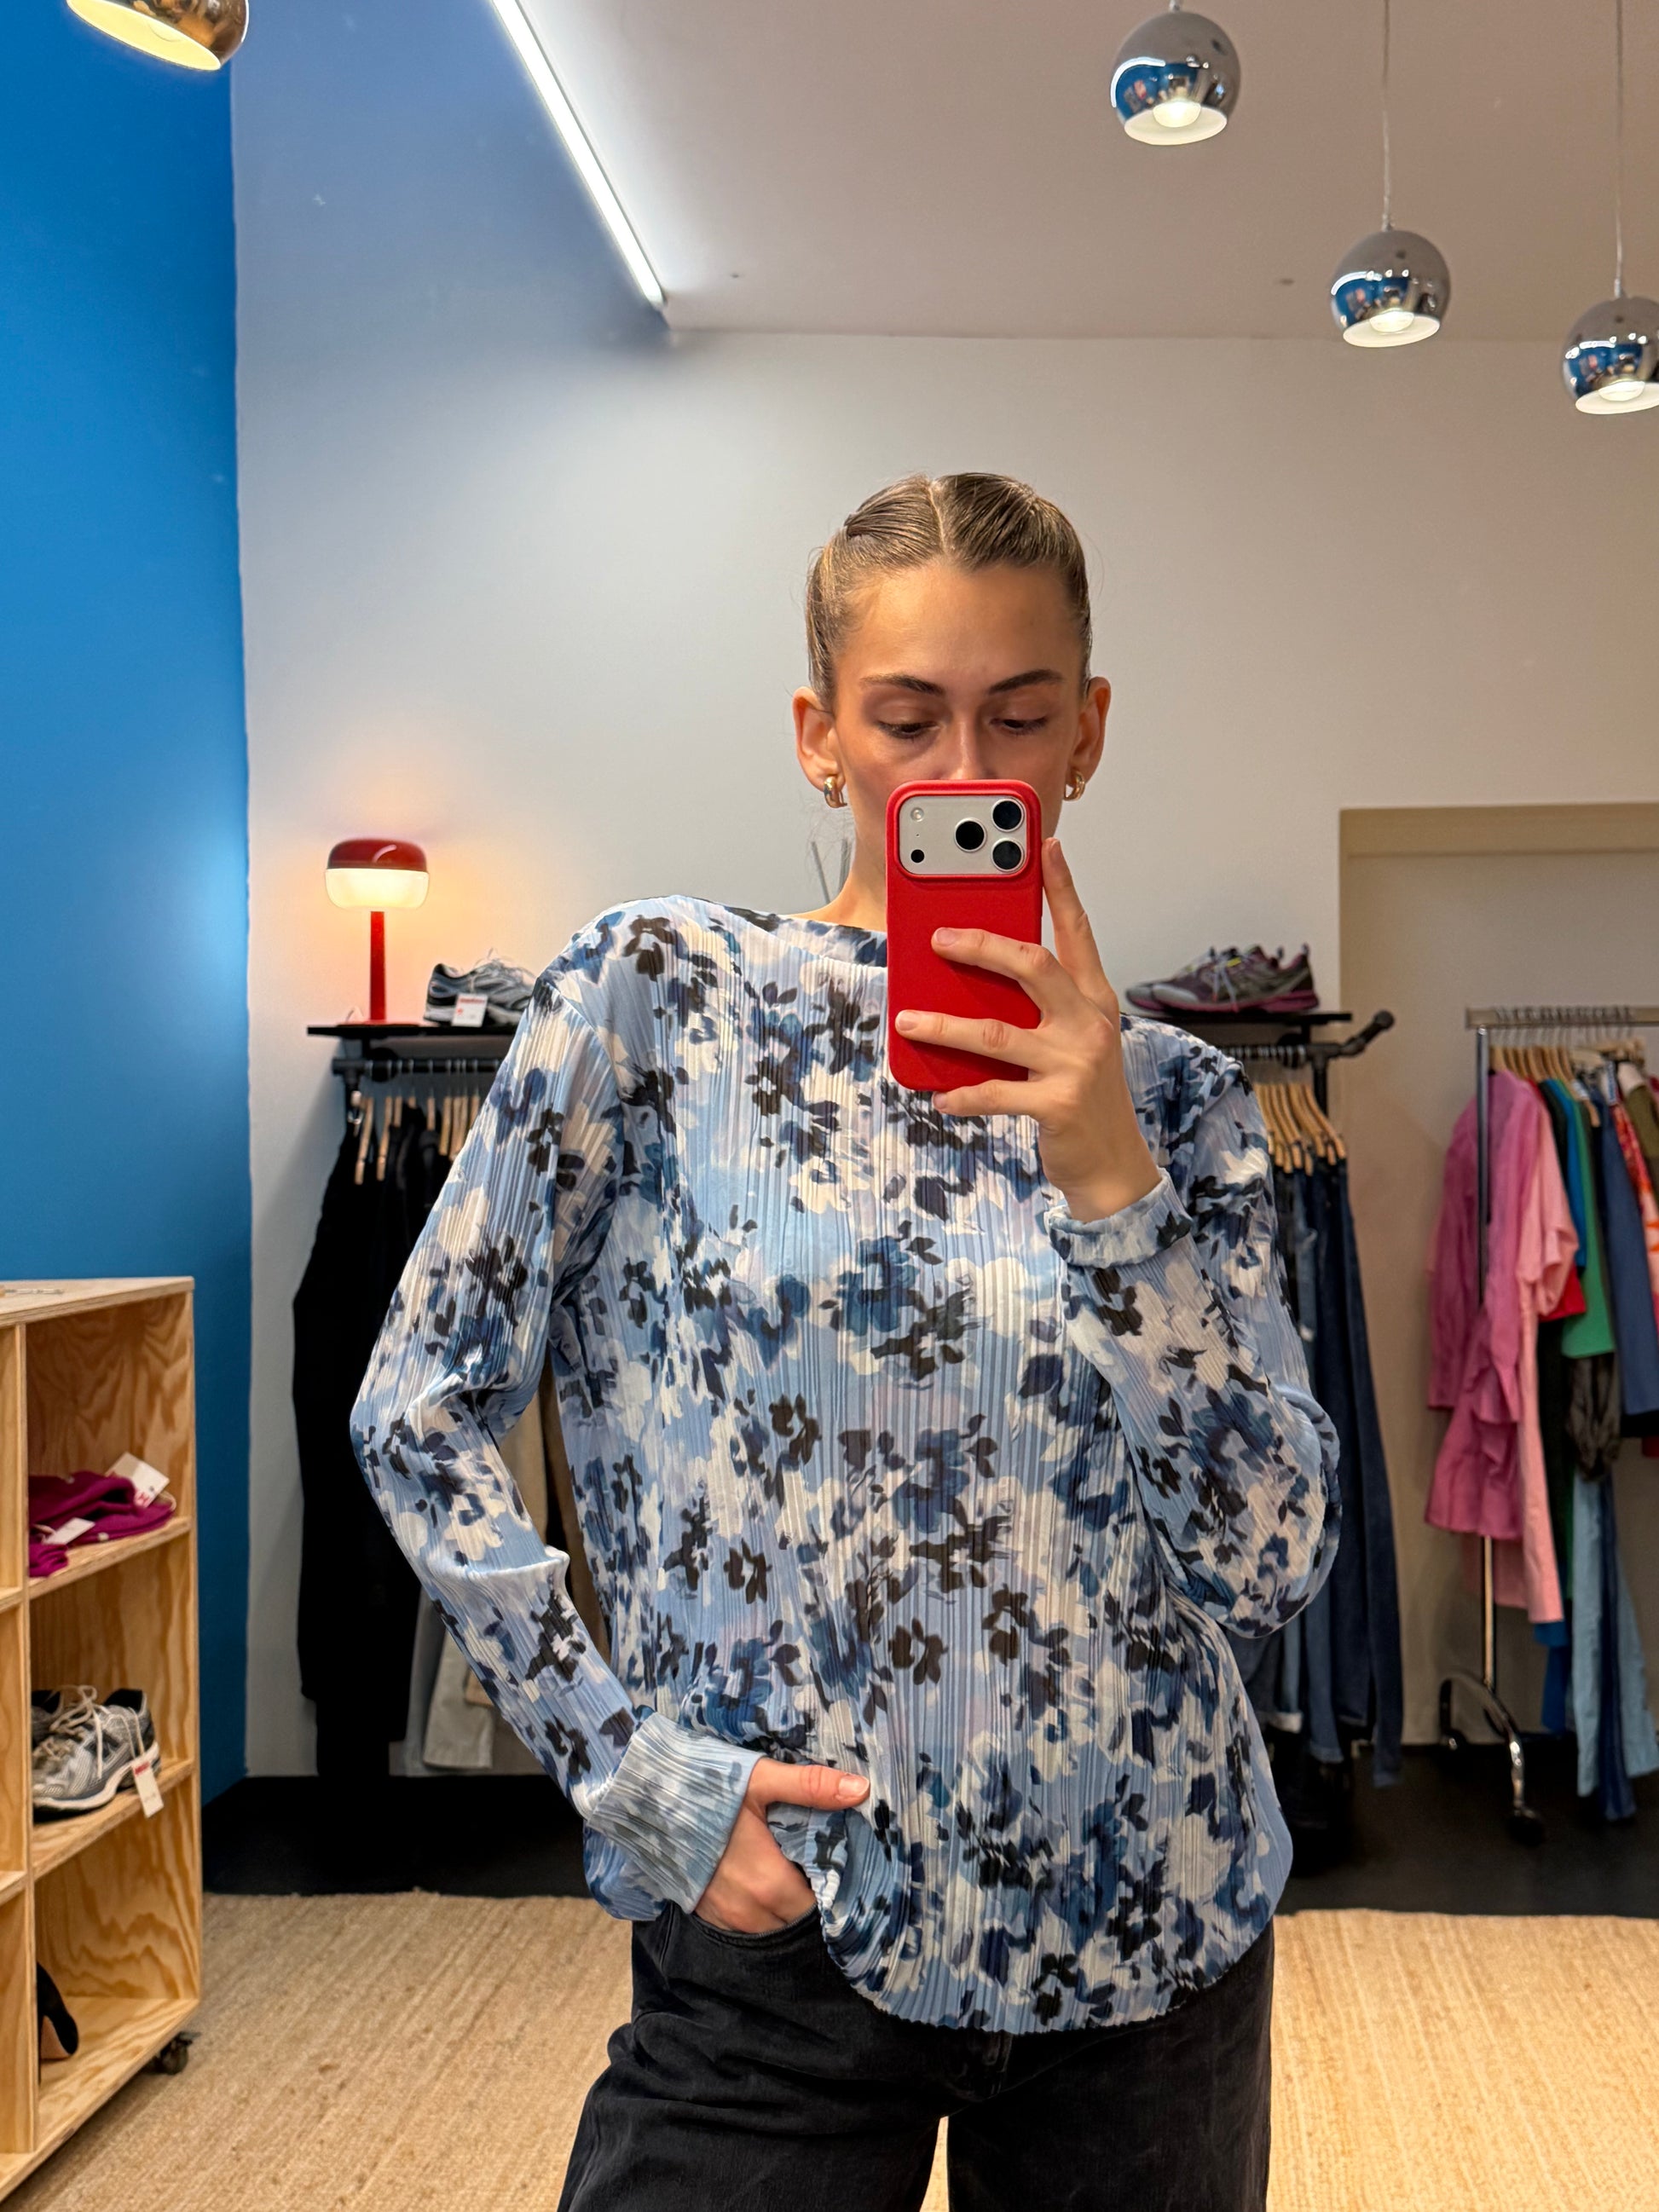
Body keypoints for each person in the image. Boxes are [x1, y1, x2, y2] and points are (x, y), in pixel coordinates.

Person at [351, 472, 1339, 2211]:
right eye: (906, 717)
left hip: (1150, 1919)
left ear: (1088, 732)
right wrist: (622, 1763)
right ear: (819, 736)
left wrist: (1110, 1176)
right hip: (783, 1913)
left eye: (1018, 715)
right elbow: (416, 1405)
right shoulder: (657, 998)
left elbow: (1264, 1558)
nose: (964, 765)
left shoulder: (1178, 1098)